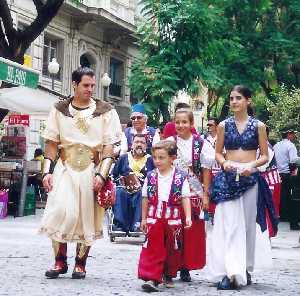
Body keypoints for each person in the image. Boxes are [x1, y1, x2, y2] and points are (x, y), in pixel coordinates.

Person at [39, 67, 122, 279]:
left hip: (90, 169)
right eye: (86, 85)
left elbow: (109, 146)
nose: (90, 89)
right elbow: (51, 143)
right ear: (74, 84)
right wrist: (46, 172)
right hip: (64, 167)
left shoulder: (106, 111)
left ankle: (80, 263)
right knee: (59, 211)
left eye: (93, 85)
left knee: (86, 216)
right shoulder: (59, 109)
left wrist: (101, 175)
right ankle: (59, 262)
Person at [209, 85, 278, 290]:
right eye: (231, 98)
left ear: (248, 101)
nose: (234, 102)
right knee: (228, 225)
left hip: (250, 178)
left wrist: (251, 165)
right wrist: (224, 163)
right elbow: (218, 152)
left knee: (248, 225)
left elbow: (265, 155)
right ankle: (228, 271)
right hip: (228, 177)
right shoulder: (223, 125)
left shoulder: (259, 126)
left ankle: (244, 268)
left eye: (238, 98)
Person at [138, 140, 192, 292]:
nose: (157, 161)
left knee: (172, 248)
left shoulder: (180, 177)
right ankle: (151, 277)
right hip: (154, 217)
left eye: (161, 158)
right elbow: (145, 198)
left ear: (172, 158)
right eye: (155, 157)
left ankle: (168, 273)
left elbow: (185, 197)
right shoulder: (151, 176)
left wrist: (187, 216)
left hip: (173, 218)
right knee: (153, 247)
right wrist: (143, 218)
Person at [168, 107, 213, 282]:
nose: (180, 125)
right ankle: (171, 266)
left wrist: (205, 194)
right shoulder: (169, 142)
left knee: (190, 232)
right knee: (172, 230)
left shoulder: (200, 143)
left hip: (193, 192)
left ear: (191, 123)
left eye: (184, 122)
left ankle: (185, 266)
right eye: (177, 122)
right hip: (174, 192)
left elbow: (206, 170)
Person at [112, 134, 155, 233]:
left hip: (141, 190)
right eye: (137, 142)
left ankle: (137, 224)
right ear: (132, 144)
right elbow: (114, 176)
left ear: (146, 146)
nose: (139, 144)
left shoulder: (151, 160)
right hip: (124, 188)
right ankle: (119, 224)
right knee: (119, 192)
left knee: (142, 193)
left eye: (142, 142)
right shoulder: (123, 158)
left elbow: (154, 178)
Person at [274, 128, 300, 230]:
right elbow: (293, 160)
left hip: (277, 173)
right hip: (287, 174)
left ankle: (282, 216)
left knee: (282, 195)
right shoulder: (290, 145)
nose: (294, 136)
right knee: (291, 196)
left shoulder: (276, 145)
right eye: (293, 134)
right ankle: (291, 218)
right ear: (289, 134)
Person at [257, 127, 281, 238]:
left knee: (268, 207)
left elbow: (261, 167)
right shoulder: (262, 146)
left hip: (269, 180)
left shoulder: (266, 147)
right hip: (267, 180)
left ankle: (268, 232)